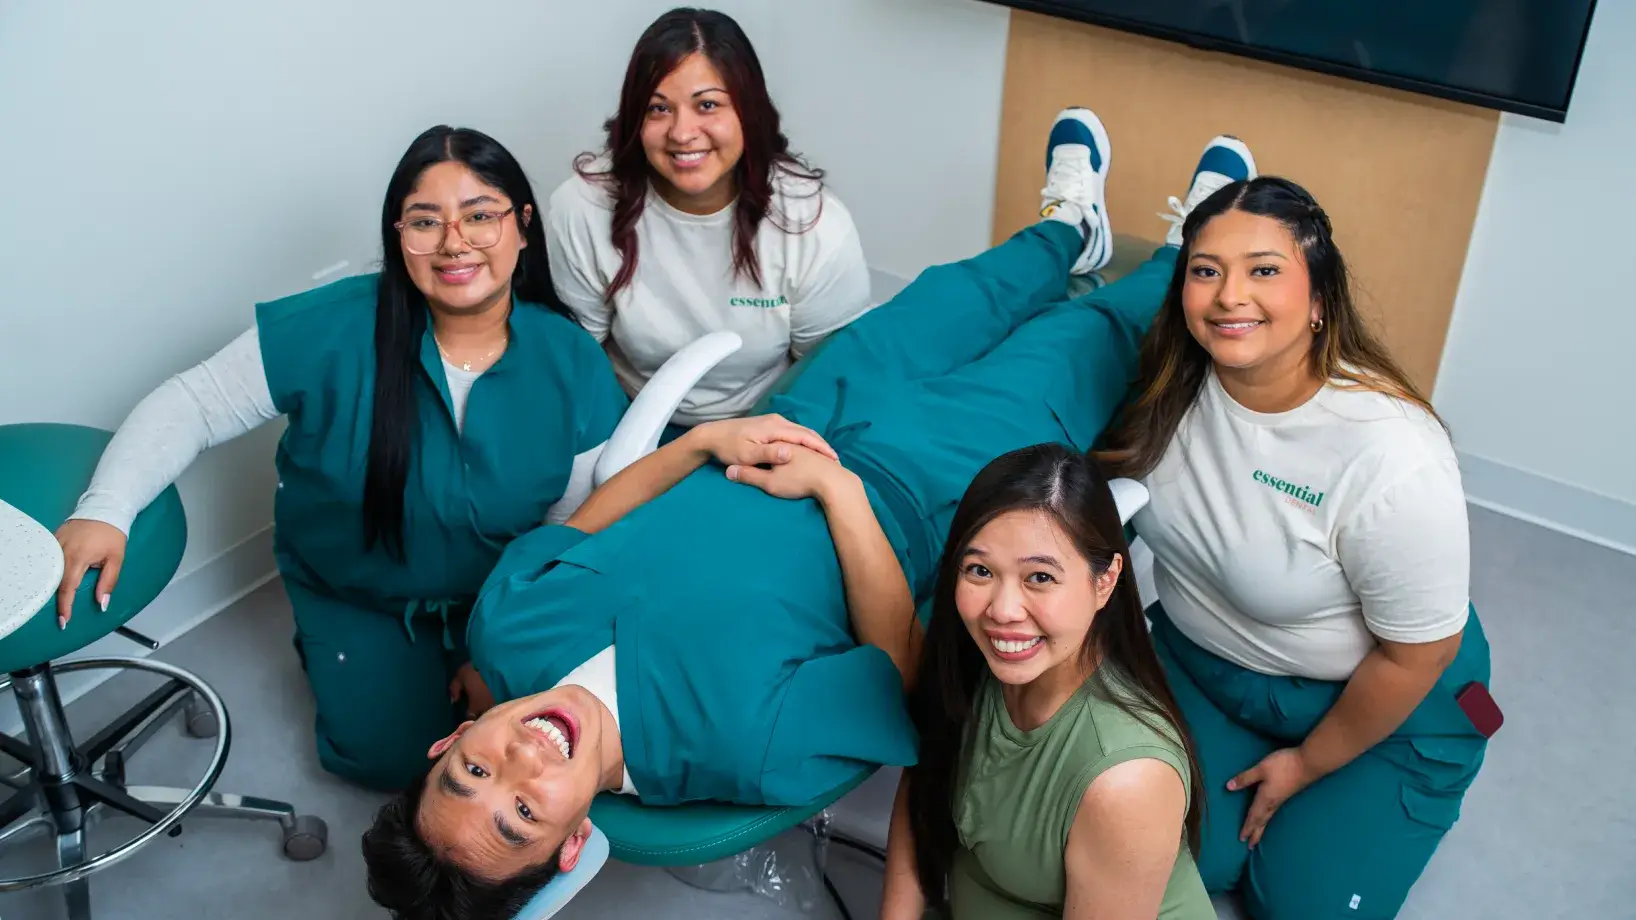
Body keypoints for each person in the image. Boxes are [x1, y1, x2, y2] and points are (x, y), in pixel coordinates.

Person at [359, 105, 1241, 919]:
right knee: (1075, 348)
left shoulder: (506, 629)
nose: (521, 759)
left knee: (952, 295)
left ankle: (1067, 232)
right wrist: (841, 493)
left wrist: (705, 444)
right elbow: (904, 666)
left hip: (807, 409)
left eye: (473, 770)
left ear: (450, 743)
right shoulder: (743, 746)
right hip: (917, 488)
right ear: (572, 847)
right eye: (521, 813)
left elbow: (586, 524)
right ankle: (1182, 258)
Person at [51, 126, 634, 792]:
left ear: (522, 226)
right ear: (397, 236)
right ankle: (336, 651)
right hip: (360, 594)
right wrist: (107, 510)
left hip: (497, 595)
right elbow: (194, 403)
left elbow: (574, 525)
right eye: (425, 222)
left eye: (480, 216)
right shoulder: (333, 326)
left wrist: (499, 646)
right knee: (402, 767)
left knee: (536, 741)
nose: (454, 242)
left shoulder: (569, 358)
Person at [1097, 173, 1498, 919]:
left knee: (1296, 904)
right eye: (1206, 270)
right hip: (1207, 667)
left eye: (1264, 270)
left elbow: (1418, 655)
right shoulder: (1162, 386)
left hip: (1388, 705)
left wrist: (1306, 765)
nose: (1228, 296)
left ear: (1319, 301)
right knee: (1175, 860)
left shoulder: (1391, 456)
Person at [881, 443, 1214, 920]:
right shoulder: (978, 657)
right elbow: (924, 784)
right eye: (980, 570)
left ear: (1104, 581)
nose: (1002, 610)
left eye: (1039, 577)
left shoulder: (1126, 781)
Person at [546, 7, 873, 430]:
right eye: (658, 109)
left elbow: (825, 375)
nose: (682, 133)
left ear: (747, 111)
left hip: (766, 423)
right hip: (628, 418)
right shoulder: (582, 207)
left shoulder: (814, 224)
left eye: (707, 105)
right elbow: (578, 362)